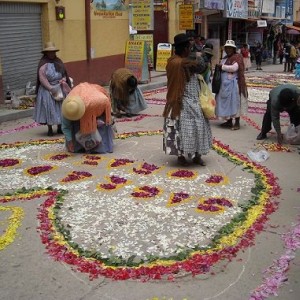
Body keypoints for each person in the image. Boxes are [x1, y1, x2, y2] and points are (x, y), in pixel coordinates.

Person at [162, 33, 212, 166]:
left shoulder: (174, 61)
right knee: (184, 128)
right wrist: (199, 56)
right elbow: (201, 67)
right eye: (189, 47)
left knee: (194, 127)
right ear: (184, 49)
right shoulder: (181, 62)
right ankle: (183, 156)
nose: (190, 50)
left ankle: (195, 155)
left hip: (188, 98)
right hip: (182, 100)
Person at [61, 82, 115, 154]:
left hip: (95, 103)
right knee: (81, 125)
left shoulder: (97, 102)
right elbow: (66, 127)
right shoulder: (68, 107)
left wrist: (95, 121)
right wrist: (70, 141)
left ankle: (100, 146)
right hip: (82, 97)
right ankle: (81, 147)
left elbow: (106, 103)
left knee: (96, 124)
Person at [34, 41, 72, 136]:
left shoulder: (58, 62)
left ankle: (59, 127)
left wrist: (63, 80)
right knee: (49, 108)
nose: (52, 54)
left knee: (60, 108)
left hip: (59, 87)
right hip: (47, 89)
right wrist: (50, 88)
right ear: (46, 53)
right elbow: (42, 78)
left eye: (53, 52)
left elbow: (64, 74)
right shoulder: (43, 64)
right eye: (50, 52)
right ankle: (50, 128)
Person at [215, 40, 248, 131]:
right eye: (227, 48)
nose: (228, 50)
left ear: (233, 49)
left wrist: (222, 67)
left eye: (230, 48)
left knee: (235, 103)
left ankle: (237, 123)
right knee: (227, 103)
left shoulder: (237, 57)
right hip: (225, 85)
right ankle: (229, 121)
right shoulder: (225, 58)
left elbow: (234, 68)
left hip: (234, 85)